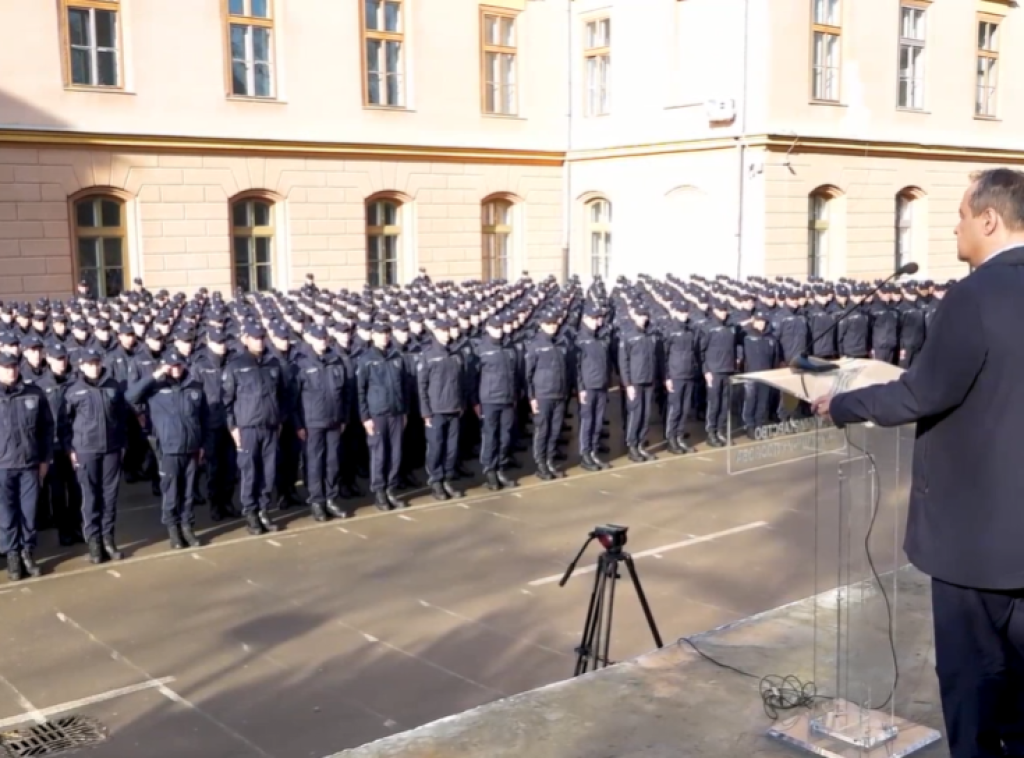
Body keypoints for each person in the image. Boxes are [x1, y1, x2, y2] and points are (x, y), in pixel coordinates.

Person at [811, 168, 1024, 758]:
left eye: (960, 214)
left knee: (975, 689)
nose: (955, 226)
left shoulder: (975, 294)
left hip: (974, 543)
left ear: (988, 219)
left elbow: (923, 394)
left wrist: (842, 404)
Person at [126, 351, 209, 549]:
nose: (176, 369)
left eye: (179, 365)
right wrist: (155, 375)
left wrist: (203, 444)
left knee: (188, 493)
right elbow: (130, 396)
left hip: (192, 448)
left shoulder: (194, 387)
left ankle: (188, 527)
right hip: (169, 449)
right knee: (171, 492)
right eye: (171, 366)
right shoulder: (155, 389)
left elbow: (203, 418)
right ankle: (174, 531)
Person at [61, 348, 128, 564]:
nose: (94, 367)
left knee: (109, 497)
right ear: (81, 365)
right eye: (89, 363)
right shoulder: (73, 391)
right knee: (90, 497)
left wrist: (123, 444)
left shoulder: (112, 386)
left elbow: (122, 417)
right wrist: (70, 449)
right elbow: (64, 424)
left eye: (97, 363)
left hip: (111, 449)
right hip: (86, 450)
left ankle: (108, 539)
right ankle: (94, 543)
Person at [221, 323, 287, 536]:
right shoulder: (235, 365)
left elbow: (282, 395)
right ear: (246, 339)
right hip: (247, 427)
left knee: (268, 471)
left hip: (270, 426)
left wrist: (280, 421)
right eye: (254, 337)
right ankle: (250, 512)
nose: (259, 341)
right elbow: (227, 401)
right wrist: (233, 427)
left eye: (261, 337)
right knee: (250, 471)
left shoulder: (273, 364)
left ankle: (264, 509)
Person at [0, 352, 53, 580]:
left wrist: (45, 460)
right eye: (6, 367)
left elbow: (46, 429)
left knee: (29, 513)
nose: (11, 371)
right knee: (6, 515)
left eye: (13, 366)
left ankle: (27, 553)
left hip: (29, 465)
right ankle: (12, 555)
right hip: (2, 466)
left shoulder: (34, 393)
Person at [295, 324, 350, 521]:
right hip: (312, 422)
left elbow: (345, 393)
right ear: (311, 339)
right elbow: (294, 398)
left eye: (324, 338)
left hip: (334, 420)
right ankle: (317, 501)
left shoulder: (336, 361)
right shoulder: (302, 364)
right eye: (318, 338)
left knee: (332, 462)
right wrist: (299, 424)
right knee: (315, 463)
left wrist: (343, 418)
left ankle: (331, 499)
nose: (322, 341)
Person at [357, 322, 407, 511]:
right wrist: (365, 418)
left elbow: (403, 387)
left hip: (396, 413)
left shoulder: (396, 356)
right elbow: (361, 391)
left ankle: (391, 489)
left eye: (386, 333)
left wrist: (404, 411)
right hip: (377, 414)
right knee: (379, 455)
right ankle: (379, 492)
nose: (384, 337)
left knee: (395, 454)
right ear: (373, 335)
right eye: (380, 333)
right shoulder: (366, 359)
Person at [417, 317, 467, 501]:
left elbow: (461, 382)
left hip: (454, 408)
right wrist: (426, 412)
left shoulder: (456, 352)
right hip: (436, 410)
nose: (446, 333)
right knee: (436, 447)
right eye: (442, 330)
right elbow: (422, 385)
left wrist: (461, 403)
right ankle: (436, 481)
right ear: (436, 332)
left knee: (452, 449)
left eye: (448, 330)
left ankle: (447, 478)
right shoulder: (428, 354)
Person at [526, 311, 570, 481]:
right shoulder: (535, 345)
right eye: (548, 323)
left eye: (554, 323)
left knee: (555, 430)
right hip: (543, 394)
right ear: (542, 325)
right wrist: (532, 397)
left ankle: (550, 460)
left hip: (559, 394)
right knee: (543, 430)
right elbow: (528, 375)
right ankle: (541, 464)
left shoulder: (560, 343)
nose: (552, 326)